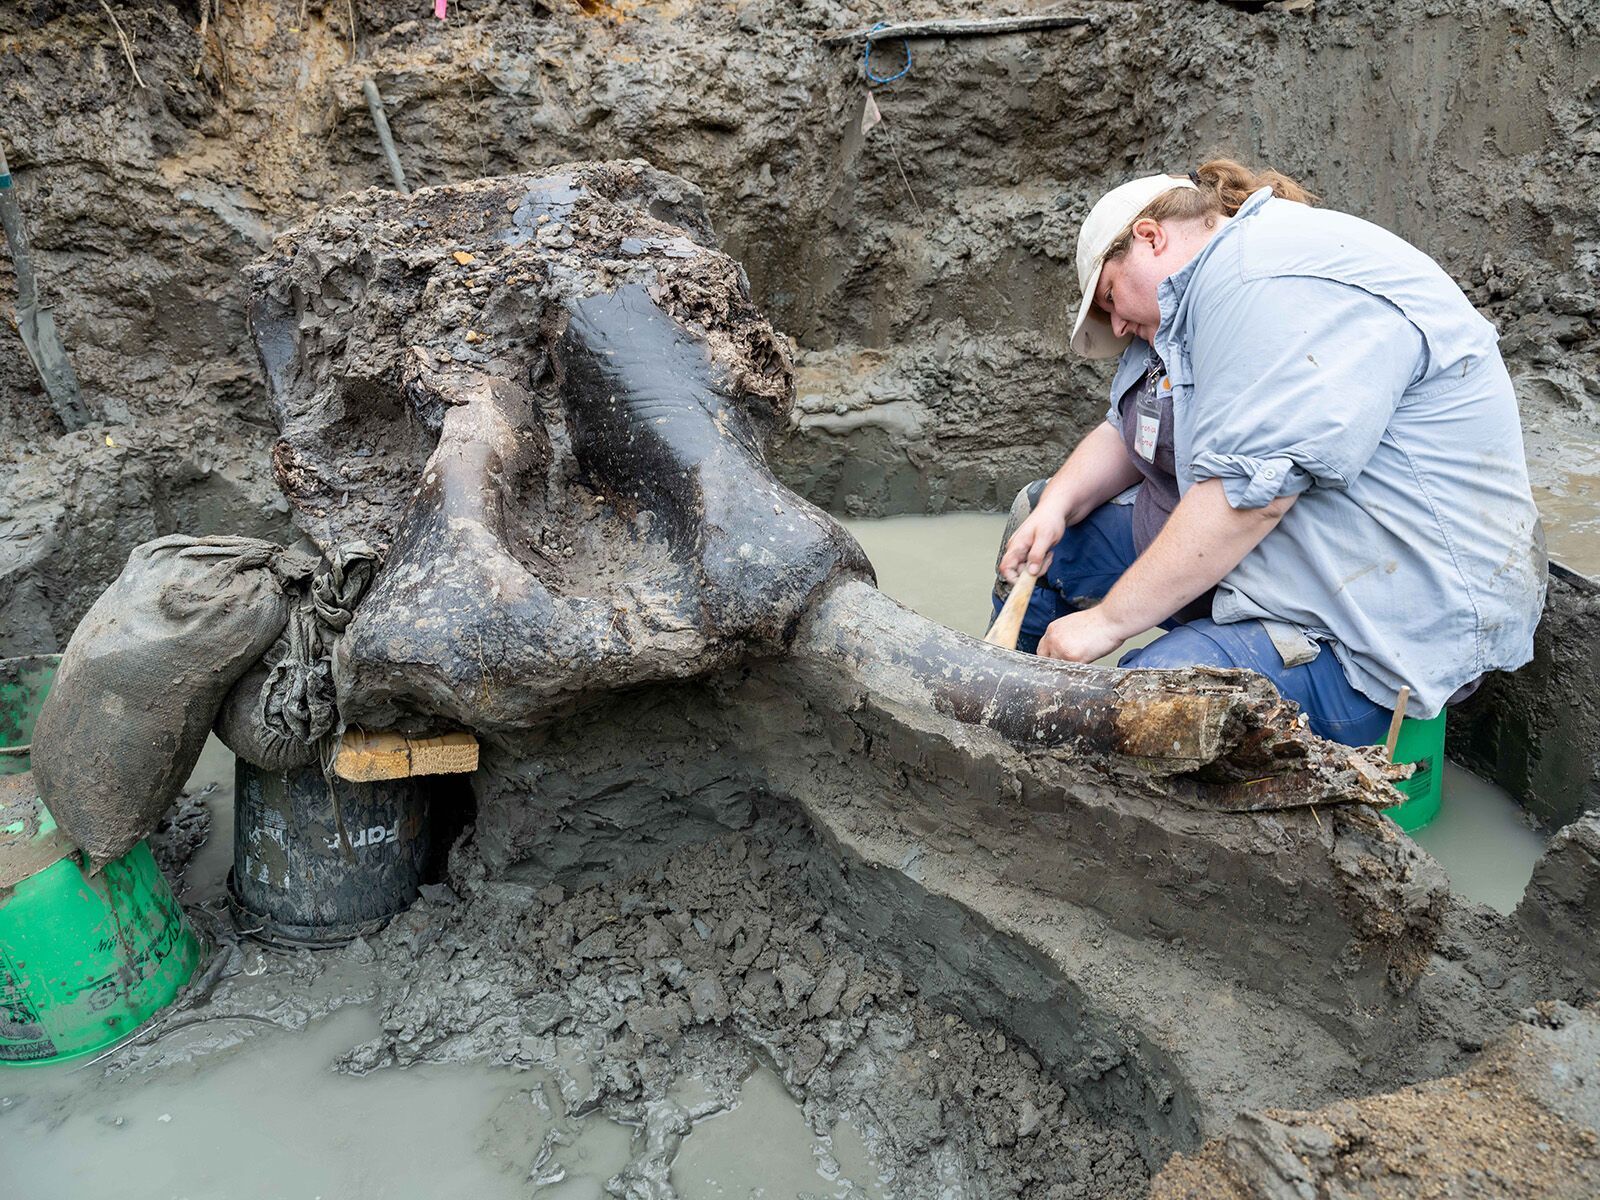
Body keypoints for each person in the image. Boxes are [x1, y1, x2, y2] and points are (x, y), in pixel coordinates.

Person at [994, 159, 1546, 746]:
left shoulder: (1266, 279)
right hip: (1274, 565)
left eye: (1109, 298)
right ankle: (1007, 726)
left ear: (1150, 238)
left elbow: (1248, 500)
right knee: (1050, 546)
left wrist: (1103, 626)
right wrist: (1055, 503)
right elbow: (1129, 431)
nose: (1119, 326)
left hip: (1369, 629)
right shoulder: (1180, 311)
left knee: (1150, 706)